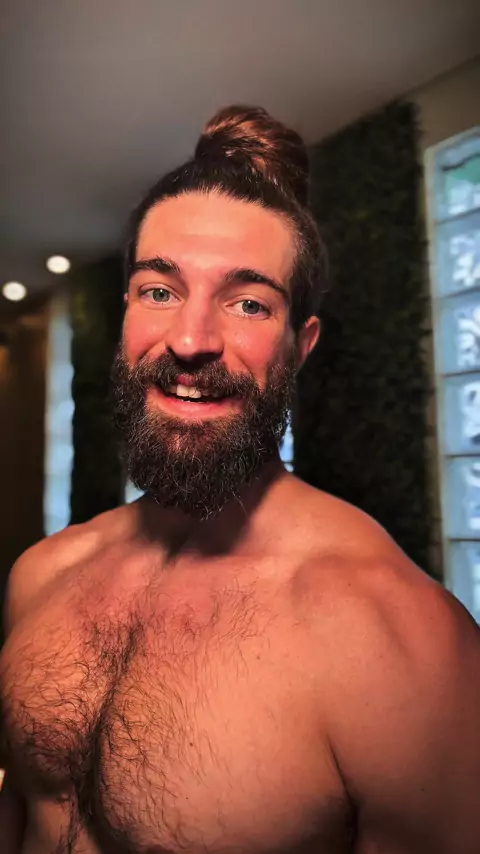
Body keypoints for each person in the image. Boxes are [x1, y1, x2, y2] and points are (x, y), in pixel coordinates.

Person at [1, 105, 479, 854]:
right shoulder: (41, 576)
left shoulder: (399, 642)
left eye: (249, 303)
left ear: (300, 345)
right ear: (126, 312)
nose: (191, 340)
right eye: (159, 290)